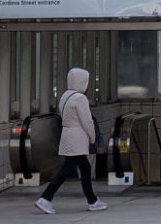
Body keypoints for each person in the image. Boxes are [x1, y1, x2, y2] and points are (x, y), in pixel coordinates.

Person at [35, 68, 107, 214]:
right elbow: (87, 121)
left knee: (84, 167)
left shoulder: (65, 96)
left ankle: (93, 200)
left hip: (67, 134)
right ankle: (45, 198)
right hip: (78, 136)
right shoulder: (80, 98)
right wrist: (92, 137)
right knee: (67, 169)